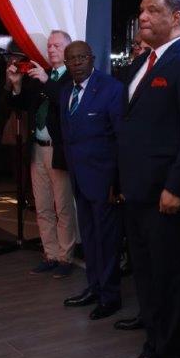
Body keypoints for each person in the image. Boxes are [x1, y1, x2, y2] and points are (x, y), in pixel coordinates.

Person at [108, 0, 180, 358]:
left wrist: (176, 187)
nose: (143, 17)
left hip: (167, 197)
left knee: (168, 279)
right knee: (147, 277)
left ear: (177, 17)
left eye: (152, 10)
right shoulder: (142, 62)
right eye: (141, 10)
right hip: (137, 192)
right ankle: (152, 350)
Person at [58, 41, 126, 320]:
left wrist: (117, 182)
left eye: (81, 57)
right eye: (71, 59)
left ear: (92, 58)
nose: (76, 63)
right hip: (79, 179)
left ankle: (110, 297)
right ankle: (94, 287)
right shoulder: (66, 92)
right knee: (88, 237)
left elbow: (121, 138)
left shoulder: (112, 89)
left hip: (105, 182)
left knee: (107, 241)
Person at [6, 30, 77, 278]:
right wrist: (16, 85)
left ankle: (66, 257)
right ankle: (50, 254)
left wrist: (48, 81)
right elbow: (20, 106)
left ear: (68, 49)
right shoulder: (39, 75)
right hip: (37, 148)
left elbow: (66, 103)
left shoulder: (74, 75)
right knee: (43, 206)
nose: (52, 49)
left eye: (57, 45)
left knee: (63, 207)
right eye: (49, 46)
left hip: (58, 150)